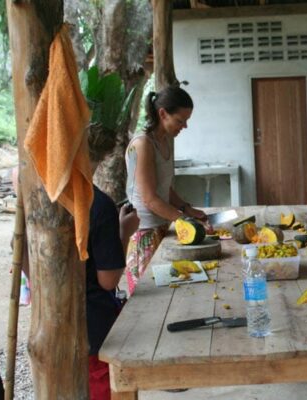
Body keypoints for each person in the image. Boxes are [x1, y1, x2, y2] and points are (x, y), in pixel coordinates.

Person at [125, 85, 210, 295]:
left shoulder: (167, 141)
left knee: (171, 292)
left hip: (162, 227)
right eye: (180, 120)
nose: (185, 126)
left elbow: (165, 188)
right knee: (149, 300)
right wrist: (185, 221)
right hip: (144, 233)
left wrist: (187, 209)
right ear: (162, 113)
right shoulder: (143, 143)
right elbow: (150, 198)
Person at [86, 123, 140, 400]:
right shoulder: (97, 204)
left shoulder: (42, 197)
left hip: (51, 324)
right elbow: (108, 280)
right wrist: (123, 233)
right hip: (92, 324)